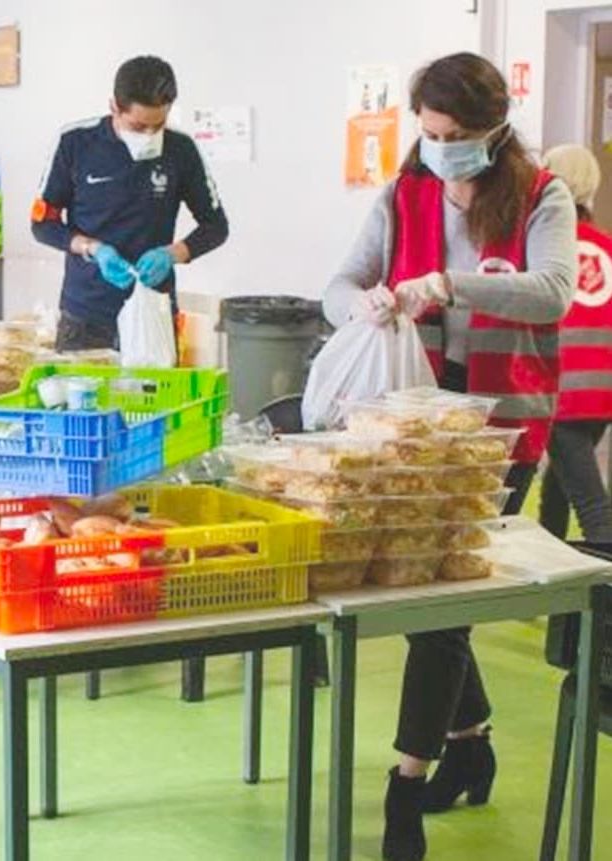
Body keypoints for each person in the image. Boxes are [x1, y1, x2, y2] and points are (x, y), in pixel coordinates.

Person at [323, 53, 577, 861]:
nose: (439, 148)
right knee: (425, 587)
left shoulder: (542, 195)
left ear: (493, 130)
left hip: (501, 425)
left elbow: (553, 289)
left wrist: (450, 282)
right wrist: (360, 303)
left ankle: (406, 785)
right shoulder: (405, 193)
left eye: (456, 136)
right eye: (428, 133)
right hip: (415, 421)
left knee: (440, 608)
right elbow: (340, 282)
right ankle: (470, 744)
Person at [31, 55, 229, 351]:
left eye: (158, 125)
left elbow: (215, 226)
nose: (150, 135)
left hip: (154, 311)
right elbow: (42, 224)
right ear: (114, 107)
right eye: (138, 126)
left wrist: (172, 254)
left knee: (154, 395)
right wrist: (92, 249)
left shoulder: (181, 149)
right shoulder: (75, 143)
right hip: (86, 314)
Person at [538, 145, 612, 543]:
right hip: (602, 396)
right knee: (558, 488)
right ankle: (561, 605)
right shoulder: (606, 247)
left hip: (562, 393)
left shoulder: (548, 249)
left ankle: (604, 605)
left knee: (595, 510)